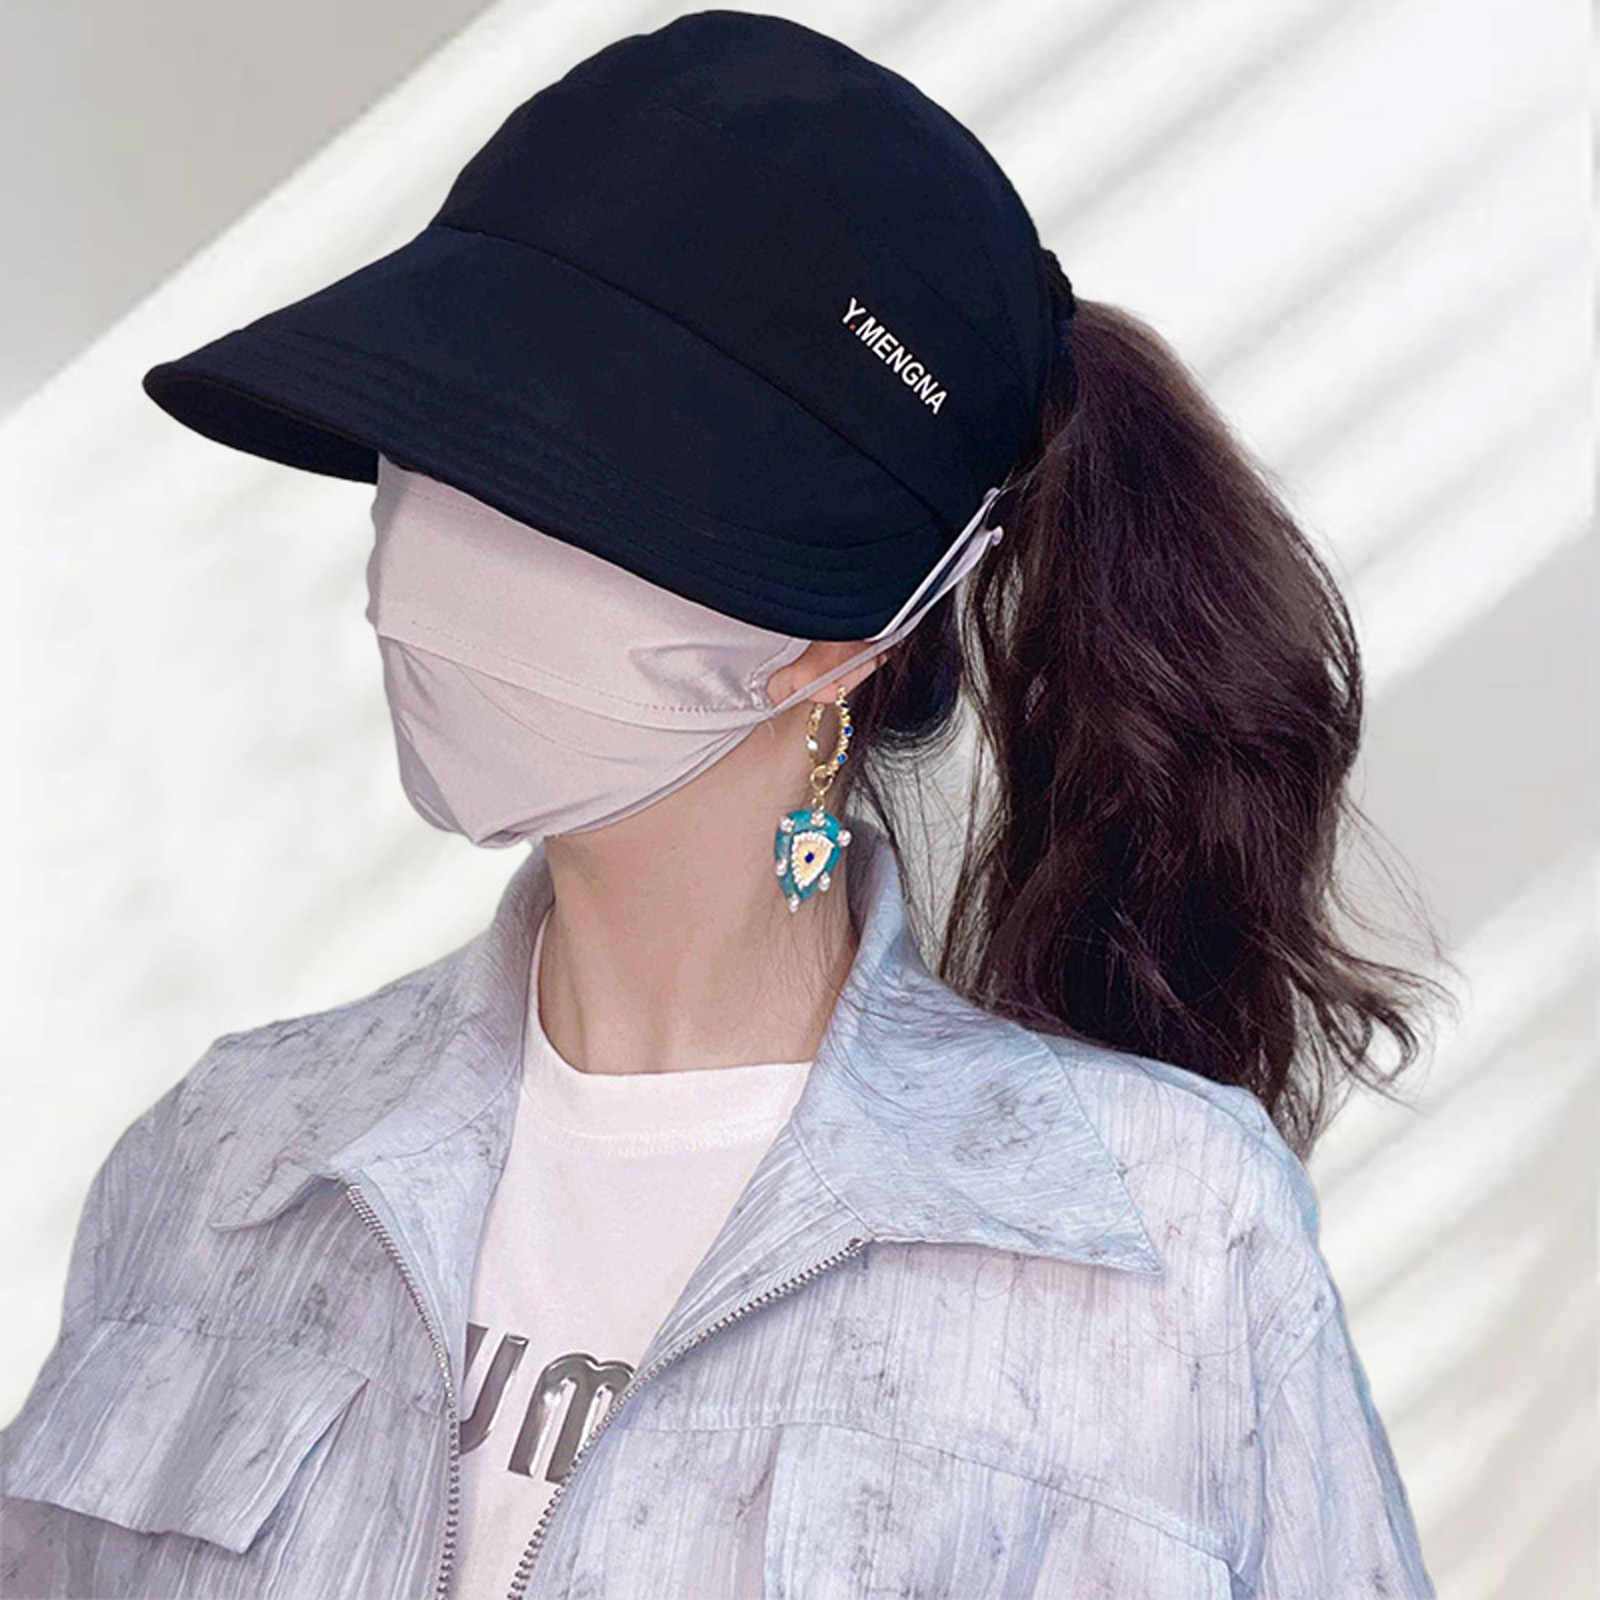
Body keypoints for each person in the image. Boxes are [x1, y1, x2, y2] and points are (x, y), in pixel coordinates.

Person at [0, 11, 1442, 1599]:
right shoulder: (224, 1161)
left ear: (843, 630)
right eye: (431, 438)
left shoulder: (1164, 1248)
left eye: (541, 471)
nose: (425, 545)